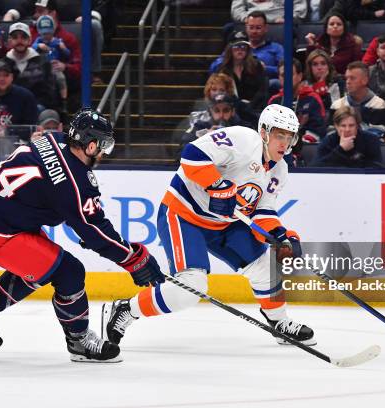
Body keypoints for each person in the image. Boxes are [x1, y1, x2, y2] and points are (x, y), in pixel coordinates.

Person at [0, 108, 165, 362]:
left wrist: (79, 222)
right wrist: (134, 259)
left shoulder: (53, 139)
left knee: (41, 264)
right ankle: (79, 341)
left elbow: (50, 189)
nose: (104, 153)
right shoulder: (77, 183)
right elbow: (94, 230)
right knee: (69, 272)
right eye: (103, 146)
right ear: (91, 145)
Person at [102, 104, 316, 348]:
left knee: (265, 266)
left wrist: (281, 235)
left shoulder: (280, 169)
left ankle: (279, 323)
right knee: (190, 288)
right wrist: (217, 186)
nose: (284, 143)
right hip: (185, 215)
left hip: (225, 224)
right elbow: (191, 154)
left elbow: (262, 211)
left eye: (289, 137)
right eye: (280, 135)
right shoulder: (242, 140)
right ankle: (126, 309)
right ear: (264, 132)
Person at [268, 59, 326, 145]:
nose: (287, 78)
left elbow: (318, 129)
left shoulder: (312, 99)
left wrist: (296, 143)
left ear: (300, 76)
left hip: (304, 147)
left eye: (290, 74)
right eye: (283, 75)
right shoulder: (274, 102)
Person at [5, 22, 59, 111]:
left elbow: (50, 95)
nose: (19, 40)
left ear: (30, 40)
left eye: (23, 37)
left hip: (37, 108)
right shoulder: (4, 63)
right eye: (15, 37)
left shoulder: (43, 63)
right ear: (10, 41)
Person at [213, 31, 268, 114]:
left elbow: (262, 90)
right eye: (236, 46)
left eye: (243, 46)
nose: (240, 50)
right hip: (231, 112)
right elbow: (220, 94)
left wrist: (250, 106)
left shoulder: (256, 66)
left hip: (255, 110)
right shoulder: (222, 70)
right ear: (229, 48)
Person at [313, 106, 382, 167]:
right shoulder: (328, 141)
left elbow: (377, 168)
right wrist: (341, 150)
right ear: (336, 126)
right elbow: (315, 168)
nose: (347, 129)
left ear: (357, 126)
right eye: (343, 126)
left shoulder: (371, 140)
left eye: (351, 125)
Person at [330, 61, 385, 131]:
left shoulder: (379, 105)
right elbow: (331, 131)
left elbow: (380, 133)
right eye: (346, 78)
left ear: (365, 80)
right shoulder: (337, 105)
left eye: (352, 78)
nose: (348, 82)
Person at [182, 93, 250, 147]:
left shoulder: (243, 128)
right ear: (211, 111)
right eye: (216, 111)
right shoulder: (199, 127)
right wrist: (205, 139)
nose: (221, 115)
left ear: (233, 111)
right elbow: (182, 152)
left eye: (226, 110)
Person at [32, 15, 69, 109]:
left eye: (48, 33)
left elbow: (67, 54)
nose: (46, 36)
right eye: (44, 34)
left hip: (54, 66)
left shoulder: (57, 41)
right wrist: (38, 46)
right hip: (42, 67)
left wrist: (63, 48)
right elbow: (32, 48)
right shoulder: (39, 40)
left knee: (61, 78)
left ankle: (64, 101)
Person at [230, 0, 307, 23]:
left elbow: (300, 9)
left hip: (281, 22)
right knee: (230, 28)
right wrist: (245, 19)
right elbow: (236, 9)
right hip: (251, 21)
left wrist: (286, 19)